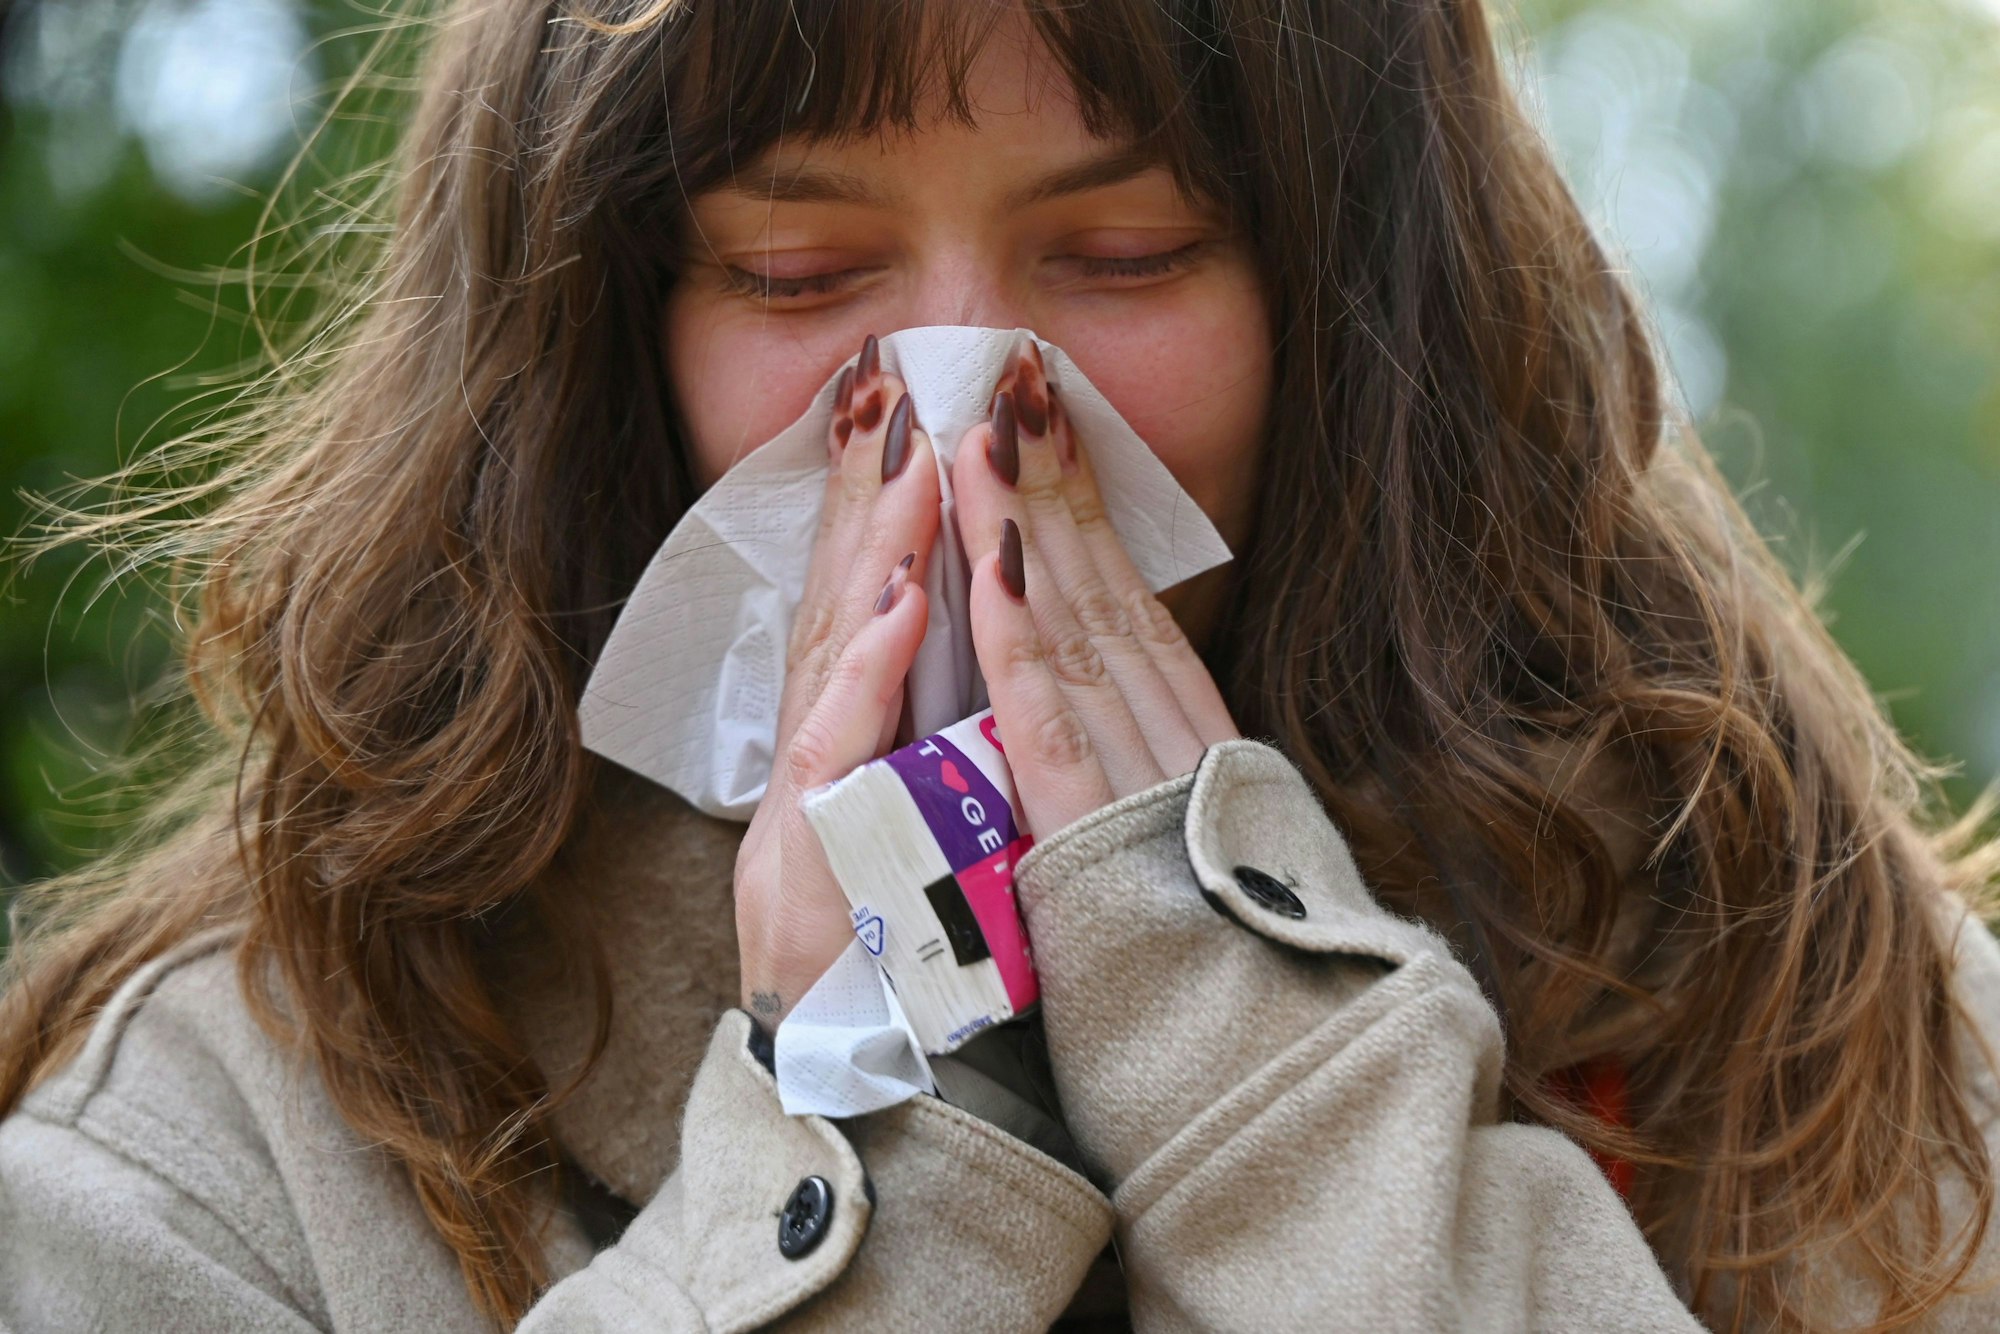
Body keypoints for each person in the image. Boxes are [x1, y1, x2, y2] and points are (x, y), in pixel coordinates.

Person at [2, 0, 1997, 1328]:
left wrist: (1279, 1077)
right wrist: (855, 1110)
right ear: (605, 336)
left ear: (1350, 310)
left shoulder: (1823, 1017)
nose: (962, 425)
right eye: (798, 275)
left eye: (1123, 254)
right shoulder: (215, 1139)